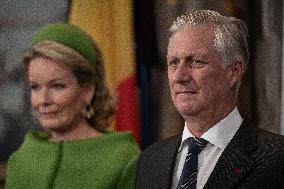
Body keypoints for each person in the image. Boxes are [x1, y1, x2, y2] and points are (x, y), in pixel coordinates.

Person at [135, 10, 284, 189]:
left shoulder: (277, 158)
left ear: (234, 71)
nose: (179, 76)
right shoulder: (150, 160)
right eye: (174, 62)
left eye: (196, 62)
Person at [5, 23, 140, 189]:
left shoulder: (124, 159)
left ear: (88, 90)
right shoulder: (20, 161)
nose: (43, 100)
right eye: (35, 87)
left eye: (57, 86)